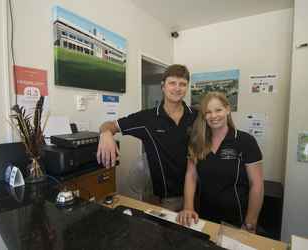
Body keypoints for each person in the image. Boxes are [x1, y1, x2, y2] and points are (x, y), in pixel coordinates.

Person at [96, 64, 197, 211]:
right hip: (168, 199)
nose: (177, 88)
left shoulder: (196, 116)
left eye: (182, 84)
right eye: (172, 83)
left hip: (199, 191)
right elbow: (110, 125)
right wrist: (105, 134)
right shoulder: (147, 118)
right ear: (163, 86)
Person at [176, 92, 264, 233]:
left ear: (227, 109)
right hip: (204, 216)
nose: (214, 116)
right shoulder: (197, 142)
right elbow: (191, 175)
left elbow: (257, 185)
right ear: (204, 116)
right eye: (208, 112)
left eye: (218, 110)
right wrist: (188, 207)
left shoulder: (245, 141)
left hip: (236, 219)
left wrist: (250, 223)